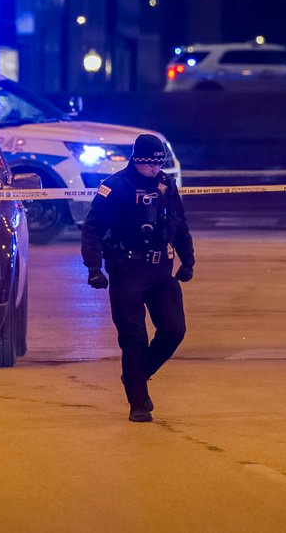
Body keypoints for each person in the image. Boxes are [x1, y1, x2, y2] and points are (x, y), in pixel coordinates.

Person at [81, 133, 195, 422]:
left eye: (159, 164)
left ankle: (136, 375)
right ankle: (138, 402)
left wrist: (188, 260)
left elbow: (179, 225)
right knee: (134, 338)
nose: (155, 170)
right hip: (127, 271)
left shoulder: (167, 185)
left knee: (174, 330)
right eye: (149, 165)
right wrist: (94, 267)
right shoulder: (114, 187)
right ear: (137, 160)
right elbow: (92, 229)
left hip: (161, 272)